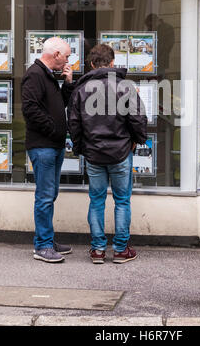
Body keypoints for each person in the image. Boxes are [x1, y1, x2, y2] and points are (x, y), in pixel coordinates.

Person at [68, 44, 147, 264]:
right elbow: (138, 119)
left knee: (96, 201)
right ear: (112, 63)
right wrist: (137, 141)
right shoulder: (125, 87)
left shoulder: (81, 90)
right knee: (122, 201)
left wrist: (80, 148)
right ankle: (121, 250)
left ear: (92, 65)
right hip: (121, 152)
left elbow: (73, 123)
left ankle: (98, 250)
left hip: (93, 154)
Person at [21, 37, 75, 263]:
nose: (68, 60)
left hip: (53, 145)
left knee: (50, 195)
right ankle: (42, 246)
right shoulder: (34, 74)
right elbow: (30, 110)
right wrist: (53, 130)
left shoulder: (49, 76)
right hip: (43, 146)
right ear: (56, 55)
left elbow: (57, 106)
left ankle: (47, 239)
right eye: (67, 56)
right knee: (44, 197)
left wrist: (68, 84)